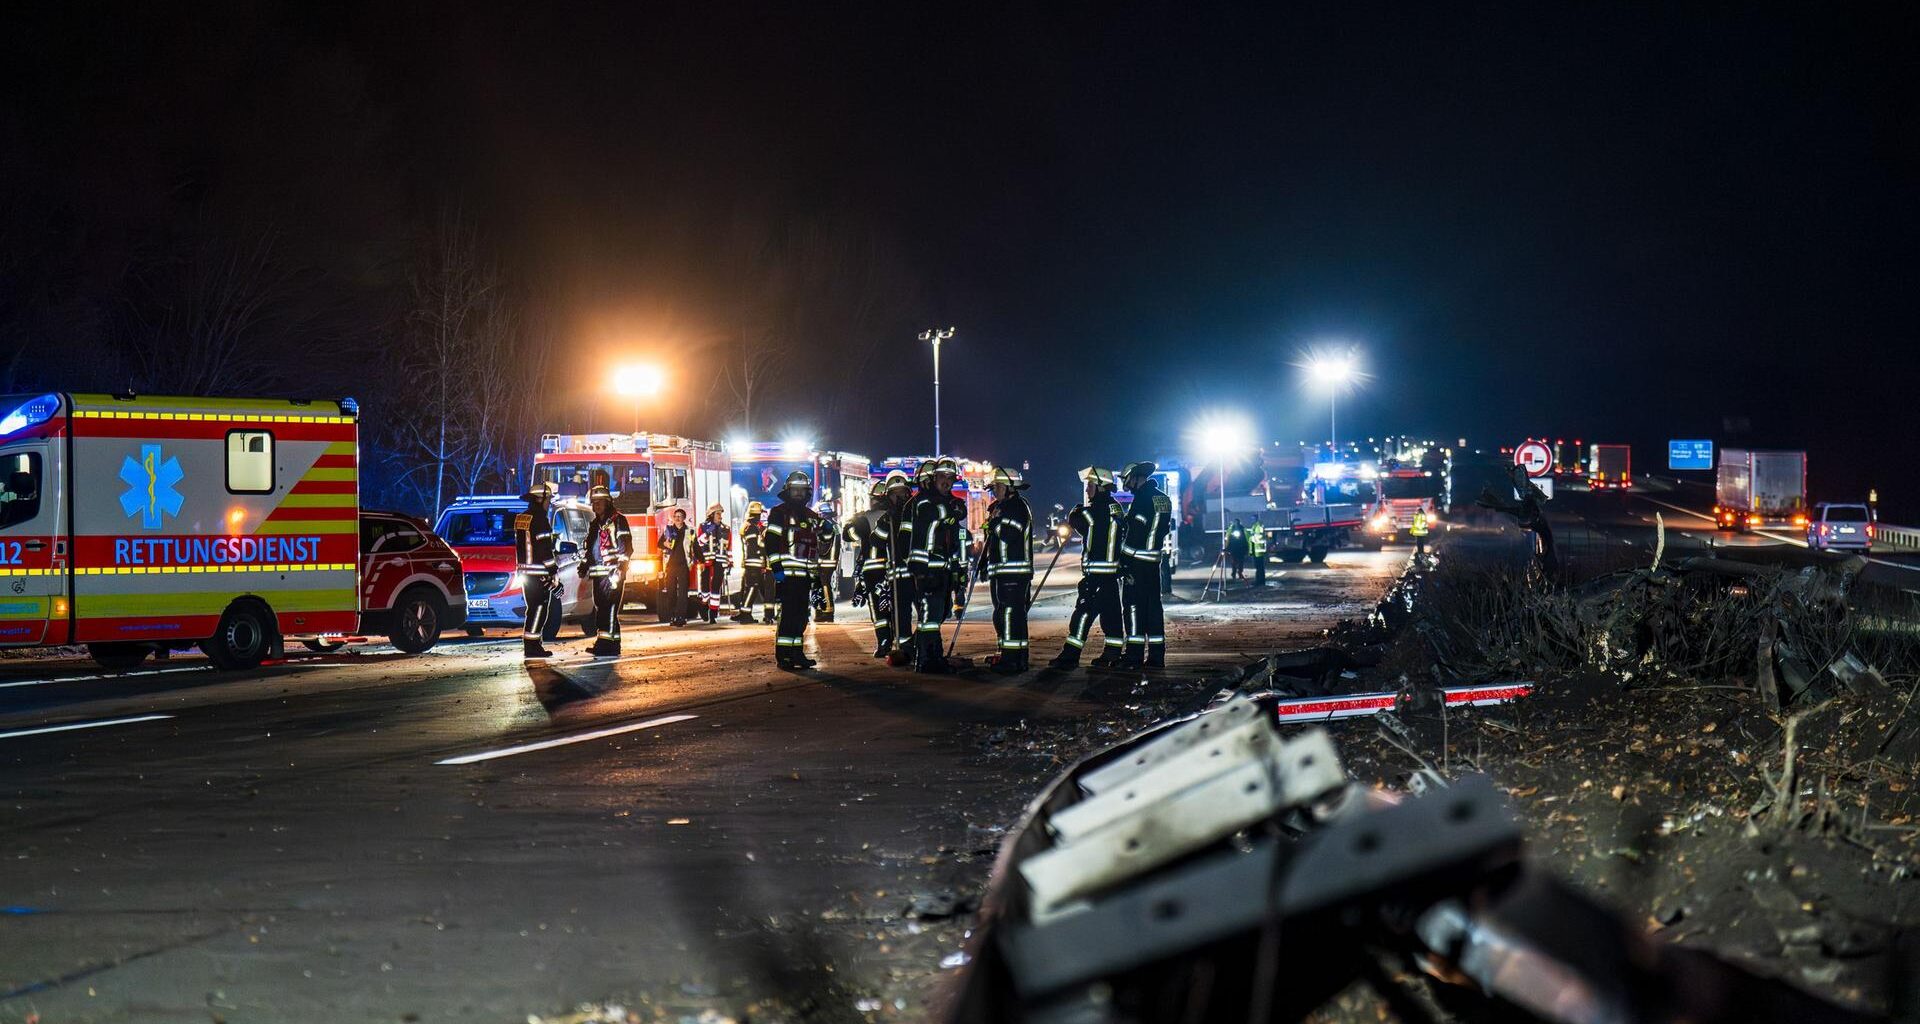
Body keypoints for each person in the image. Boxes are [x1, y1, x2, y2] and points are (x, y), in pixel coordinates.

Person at [1051, 467, 1125, 670]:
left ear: (1100, 487)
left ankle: (1070, 654)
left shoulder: (1097, 511)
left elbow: (1077, 520)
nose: (1087, 490)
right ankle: (1112, 653)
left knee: (1083, 614)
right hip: (1110, 575)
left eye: (1090, 485)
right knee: (1111, 616)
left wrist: (1076, 510)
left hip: (1097, 575)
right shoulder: (1115, 507)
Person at [763, 471, 826, 669]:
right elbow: (771, 542)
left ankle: (797, 653)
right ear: (788, 491)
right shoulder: (778, 513)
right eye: (795, 490)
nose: (798, 493)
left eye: (802, 490)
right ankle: (784, 656)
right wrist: (776, 568)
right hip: (787, 576)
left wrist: (827, 531)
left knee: (801, 618)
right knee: (788, 617)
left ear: (807, 492)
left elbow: (819, 546)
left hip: (805, 577)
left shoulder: (812, 516)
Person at [907, 458, 962, 673]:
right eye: (942, 477)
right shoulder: (924, 501)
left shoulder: (946, 502)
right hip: (927, 567)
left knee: (940, 613)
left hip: (942, 567)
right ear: (933, 478)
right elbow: (934, 515)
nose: (946, 482)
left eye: (950, 478)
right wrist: (953, 510)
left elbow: (954, 538)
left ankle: (930, 655)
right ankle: (927, 660)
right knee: (930, 615)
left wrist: (957, 569)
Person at [1118, 461, 1173, 669]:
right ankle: (1157, 657)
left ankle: (1134, 656)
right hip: (1153, 563)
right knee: (1153, 610)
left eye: (1127, 480)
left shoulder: (1141, 500)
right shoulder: (1163, 498)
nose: (1126, 485)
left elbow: (1135, 533)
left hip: (1137, 563)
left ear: (1136, 477)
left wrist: (1123, 561)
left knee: (1133, 608)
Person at [981, 466, 1034, 674]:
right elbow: (992, 540)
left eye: (997, 487)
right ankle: (1011, 655)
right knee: (1004, 614)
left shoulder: (1017, 507)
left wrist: (994, 522)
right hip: (1001, 571)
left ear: (1009, 487)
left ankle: (1012, 660)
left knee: (1011, 615)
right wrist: (984, 562)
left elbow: (1009, 534)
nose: (994, 491)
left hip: (1014, 571)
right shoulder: (1001, 507)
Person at [849, 475, 906, 658]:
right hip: (893, 567)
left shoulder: (865, 517)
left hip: (873, 569)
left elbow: (849, 535)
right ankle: (901, 640)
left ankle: (884, 642)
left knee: (877, 607)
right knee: (895, 605)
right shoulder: (898, 515)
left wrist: (853, 521)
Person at [581, 484, 634, 656]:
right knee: (601, 607)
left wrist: (620, 569)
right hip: (598, 574)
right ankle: (613, 644)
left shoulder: (618, 521)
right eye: (594, 502)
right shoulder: (595, 524)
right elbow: (590, 549)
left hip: (612, 573)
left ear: (608, 502)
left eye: (600, 502)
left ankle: (604, 644)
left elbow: (626, 548)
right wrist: (584, 565)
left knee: (608, 609)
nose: (596, 505)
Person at [885, 466, 925, 666]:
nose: (900, 498)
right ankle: (904, 649)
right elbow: (875, 540)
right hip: (898, 576)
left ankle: (919, 644)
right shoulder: (886, 518)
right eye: (895, 494)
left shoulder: (916, 512)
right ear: (888, 497)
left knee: (928, 613)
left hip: (917, 573)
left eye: (903, 493)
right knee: (901, 617)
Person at [514, 482, 559, 659]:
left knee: (532, 608)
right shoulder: (541, 519)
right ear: (540, 499)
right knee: (539, 607)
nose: (549, 504)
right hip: (539, 572)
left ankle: (531, 644)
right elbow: (544, 549)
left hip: (525, 572)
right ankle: (533, 646)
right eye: (548, 500)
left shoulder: (521, 518)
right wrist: (553, 570)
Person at [695, 503, 733, 624]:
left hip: (720, 561)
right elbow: (699, 543)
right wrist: (707, 533)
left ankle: (713, 613)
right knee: (705, 588)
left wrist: (730, 562)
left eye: (721, 514)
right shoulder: (703, 527)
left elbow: (729, 547)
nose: (720, 516)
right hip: (706, 561)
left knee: (716, 588)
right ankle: (703, 605)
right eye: (717, 513)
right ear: (711, 515)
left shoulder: (726, 529)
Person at [733, 501, 768, 623]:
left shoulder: (747, 526)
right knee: (752, 587)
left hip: (751, 562)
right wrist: (764, 543)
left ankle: (746, 612)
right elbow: (755, 546)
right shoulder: (752, 528)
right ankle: (745, 615)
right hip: (754, 563)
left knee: (753, 588)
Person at [813, 499, 840, 623]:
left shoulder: (827, 525)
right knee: (821, 585)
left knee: (824, 585)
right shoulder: (834, 524)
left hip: (825, 561)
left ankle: (828, 611)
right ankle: (821, 610)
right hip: (829, 560)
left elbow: (824, 541)